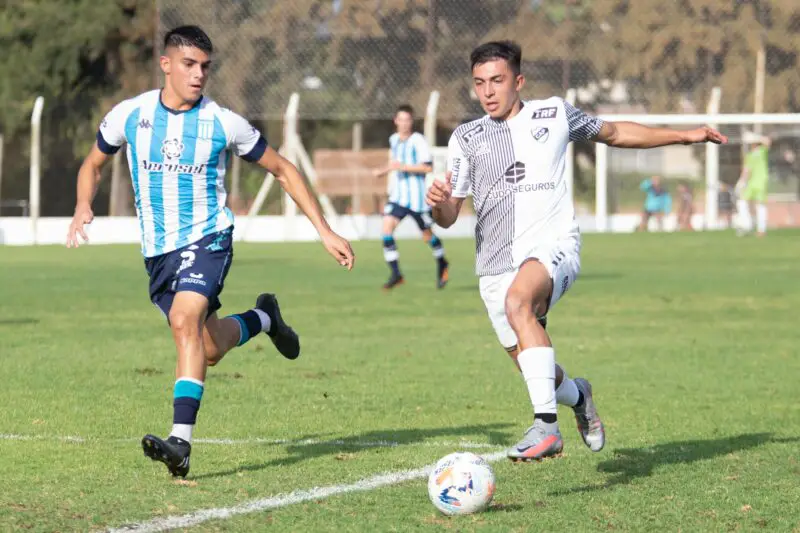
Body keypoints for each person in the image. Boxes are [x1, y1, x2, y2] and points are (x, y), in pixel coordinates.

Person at [65, 26, 355, 478]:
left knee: (184, 320)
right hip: (159, 253)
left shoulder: (223, 122)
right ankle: (264, 318)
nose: (199, 74)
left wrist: (325, 230)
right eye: (189, 64)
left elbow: (281, 169)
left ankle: (180, 442)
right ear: (166, 64)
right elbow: (93, 163)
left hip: (209, 239)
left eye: (205, 67)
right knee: (207, 346)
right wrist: (83, 203)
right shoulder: (131, 114)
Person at [426, 40, 727, 461]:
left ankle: (546, 429)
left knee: (519, 303)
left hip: (554, 245)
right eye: (479, 83)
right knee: (535, 367)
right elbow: (447, 215)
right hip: (494, 264)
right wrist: (437, 201)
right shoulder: (466, 138)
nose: (488, 92)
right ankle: (578, 395)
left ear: (519, 81)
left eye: (497, 80)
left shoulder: (553, 113)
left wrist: (684, 135)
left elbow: (616, 133)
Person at [372, 105, 449, 290]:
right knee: (386, 230)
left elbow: (427, 167)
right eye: (401, 119)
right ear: (396, 121)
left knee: (427, 235)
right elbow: (394, 164)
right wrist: (381, 171)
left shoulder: (418, 141)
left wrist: (403, 167)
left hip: (417, 200)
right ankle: (396, 273)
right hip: (398, 197)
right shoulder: (394, 140)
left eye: (408, 120)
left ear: (411, 122)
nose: (404, 123)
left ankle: (442, 262)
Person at [736, 131, 772, 237]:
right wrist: (741, 181)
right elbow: (747, 170)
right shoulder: (749, 155)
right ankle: (746, 225)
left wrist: (757, 137)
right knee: (742, 201)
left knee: (760, 205)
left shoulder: (762, 150)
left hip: (761, 182)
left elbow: (768, 142)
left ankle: (761, 230)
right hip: (751, 182)